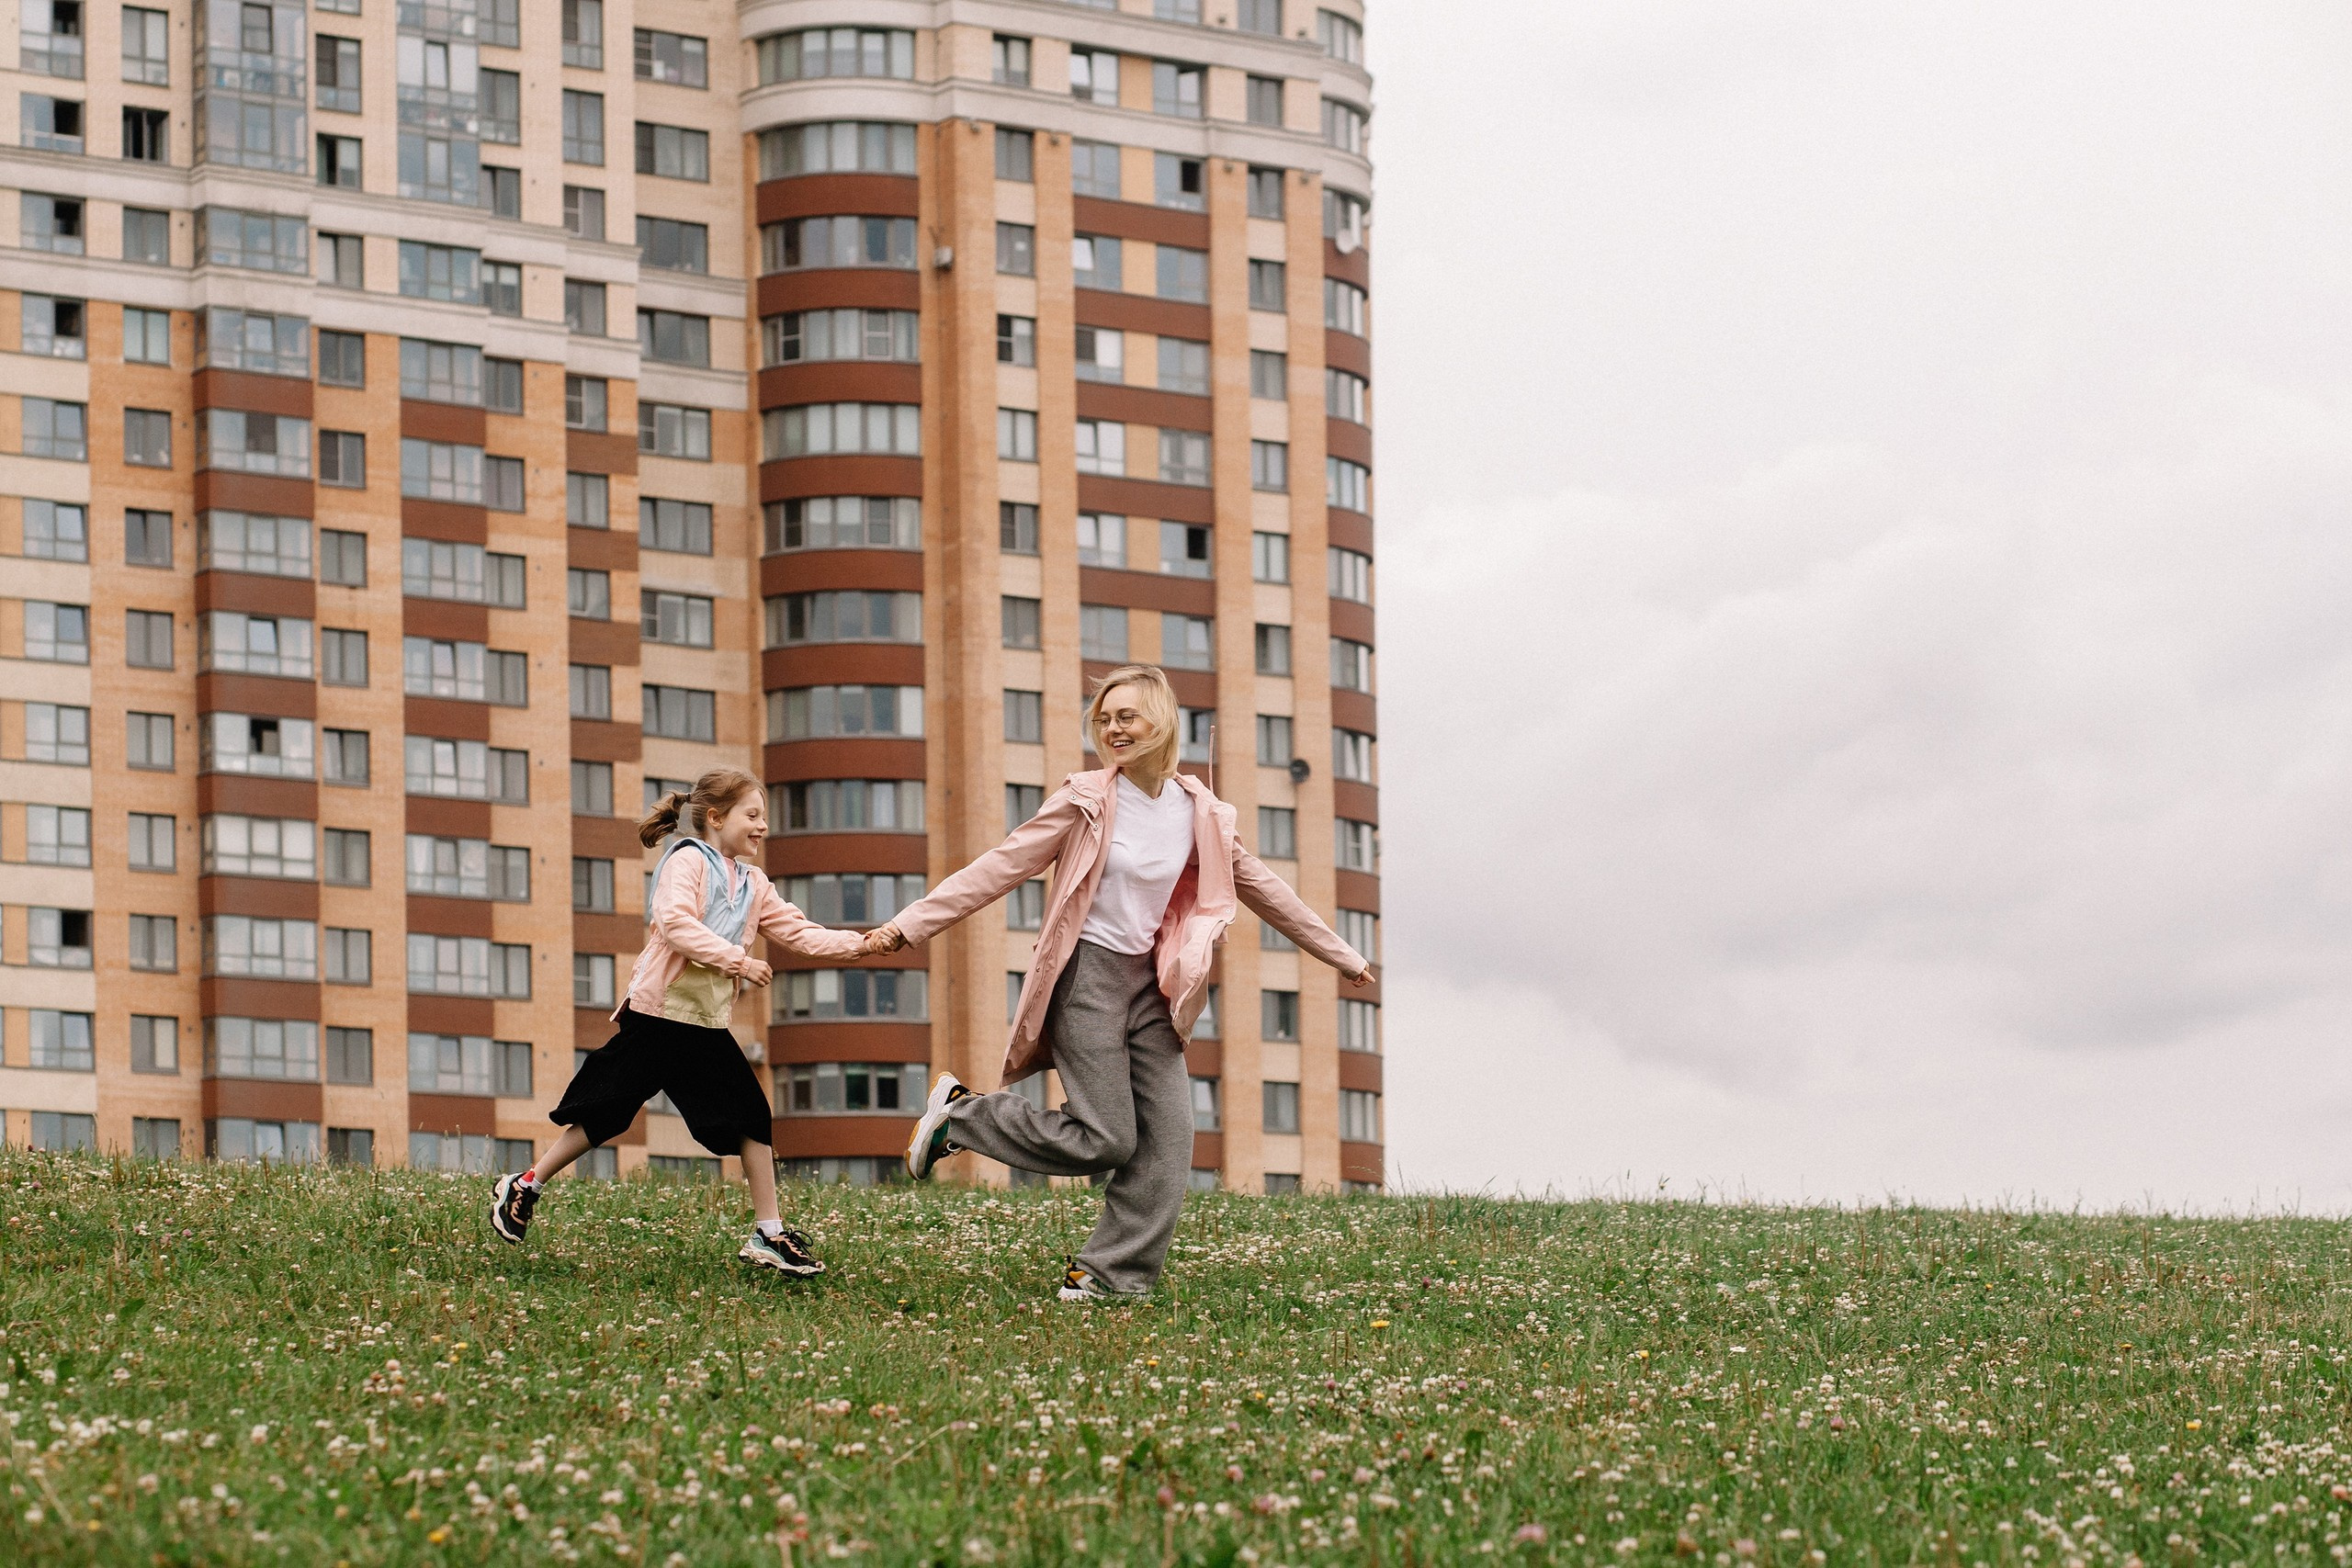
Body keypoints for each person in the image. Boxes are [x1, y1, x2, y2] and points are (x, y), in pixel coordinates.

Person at [865, 664, 1374, 1302]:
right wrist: (907, 926)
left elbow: (1267, 888)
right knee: (1107, 1137)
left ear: (1160, 721)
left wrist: (1343, 955)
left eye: (1125, 716)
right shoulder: (1085, 800)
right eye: (1104, 719)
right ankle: (961, 1117)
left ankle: (1107, 1274)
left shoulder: (1202, 813)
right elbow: (997, 867)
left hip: (1155, 989)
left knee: (1169, 1142)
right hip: (1089, 978)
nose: (1112, 729)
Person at [489, 767, 865, 1277]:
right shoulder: (687, 861)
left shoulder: (753, 883)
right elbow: (675, 924)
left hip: (706, 1025)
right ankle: (525, 1185)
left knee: (753, 1119)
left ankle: (768, 1234)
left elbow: (801, 934)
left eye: (763, 818)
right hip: (658, 1017)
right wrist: (739, 961)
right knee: (605, 1114)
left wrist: (866, 942)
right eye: (752, 816)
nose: (762, 827)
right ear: (715, 817)